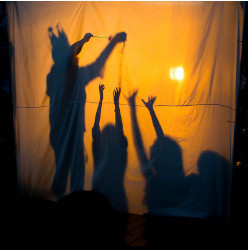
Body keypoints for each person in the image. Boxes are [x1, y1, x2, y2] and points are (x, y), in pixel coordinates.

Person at [47, 24, 126, 199]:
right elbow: (71, 56)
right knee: (66, 175)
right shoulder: (56, 74)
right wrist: (84, 40)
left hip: (72, 133)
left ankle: (69, 209)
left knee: (74, 175)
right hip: (63, 133)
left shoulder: (72, 75)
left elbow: (97, 62)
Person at [127, 90, 188, 215]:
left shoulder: (153, 178)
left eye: (153, 148)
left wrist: (133, 109)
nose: (151, 148)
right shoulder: (177, 180)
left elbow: (139, 142)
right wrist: (150, 110)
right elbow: (159, 137)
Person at [92, 85, 128, 212]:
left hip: (100, 193)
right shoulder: (115, 151)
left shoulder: (98, 149)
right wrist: (116, 104)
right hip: (114, 196)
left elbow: (96, 123)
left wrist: (101, 100)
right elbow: (120, 127)